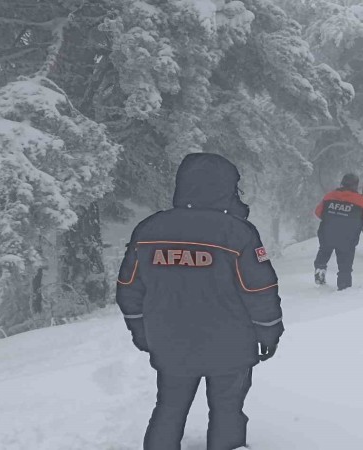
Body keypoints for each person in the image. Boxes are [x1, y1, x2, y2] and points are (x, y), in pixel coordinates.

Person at [116, 153, 283, 450]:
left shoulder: (149, 229)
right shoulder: (238, 232)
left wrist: (140, 331)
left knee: (168, 408)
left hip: (169, 342)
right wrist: (269, 332)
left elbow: (129, 287)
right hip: (230, 345)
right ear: (226, 187)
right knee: (227, 411)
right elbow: (260, 290)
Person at [314, 174, 363, 290]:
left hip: (327, 233)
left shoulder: (330, 196)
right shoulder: (362, 201)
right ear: (355, 185)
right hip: (348, 237)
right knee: (345, 263)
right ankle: (343, 286)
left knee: (324, 251)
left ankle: (320, 269)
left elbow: (318, 212)